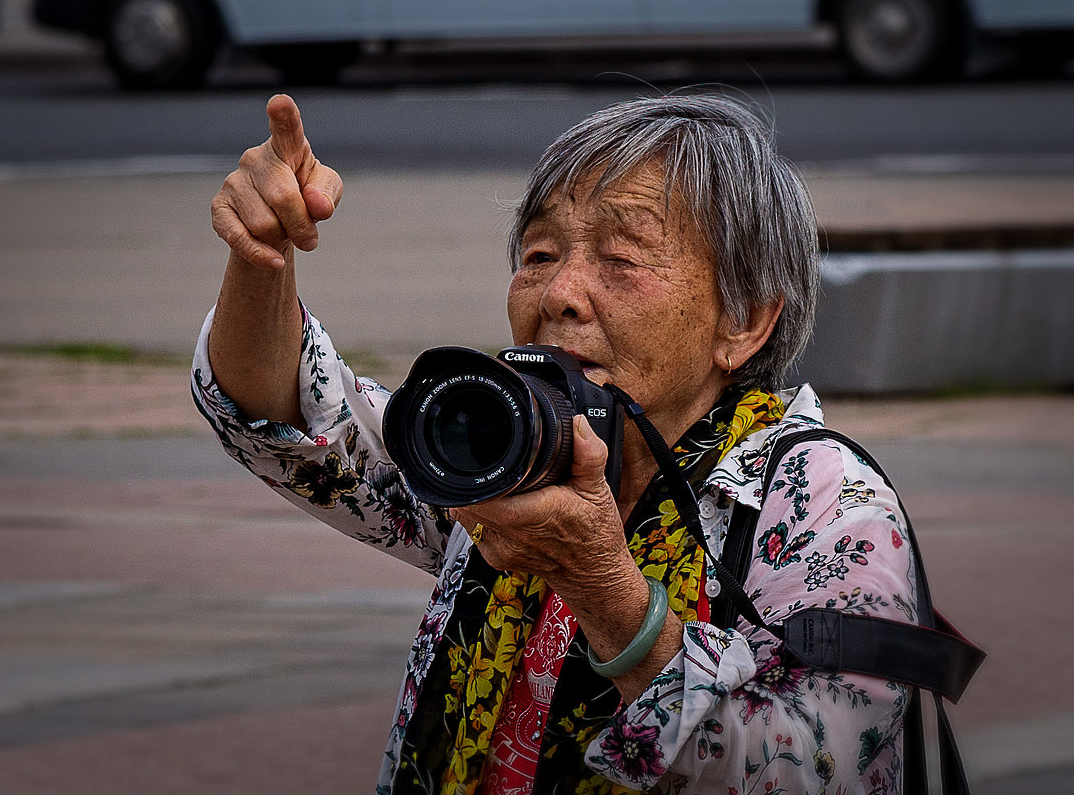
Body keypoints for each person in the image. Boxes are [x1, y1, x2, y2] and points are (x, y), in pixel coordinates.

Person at [193, 92, 918, 794]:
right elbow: (288, 421)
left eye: (621, 259)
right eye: (540, 253)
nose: (559, 294)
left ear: (744, 323)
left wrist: (605, 588)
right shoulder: (499, 446)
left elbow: (808, 772)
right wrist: (262, 259)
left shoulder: (826, 502)